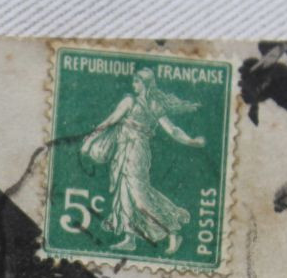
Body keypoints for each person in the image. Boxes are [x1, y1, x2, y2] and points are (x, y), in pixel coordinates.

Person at [81, 67, 206, 255]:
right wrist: (90, 139)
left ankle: (173, 231)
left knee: (140, 197)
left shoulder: (154, 105)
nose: (134, 85)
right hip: (122, 151)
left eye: (137, 81)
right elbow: (110, 121)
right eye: (133, 81)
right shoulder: (128, 101)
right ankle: (129, 238)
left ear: (146, 83)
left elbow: (172, 130)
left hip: (138, 151)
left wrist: (191, 141)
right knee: (124, 195)